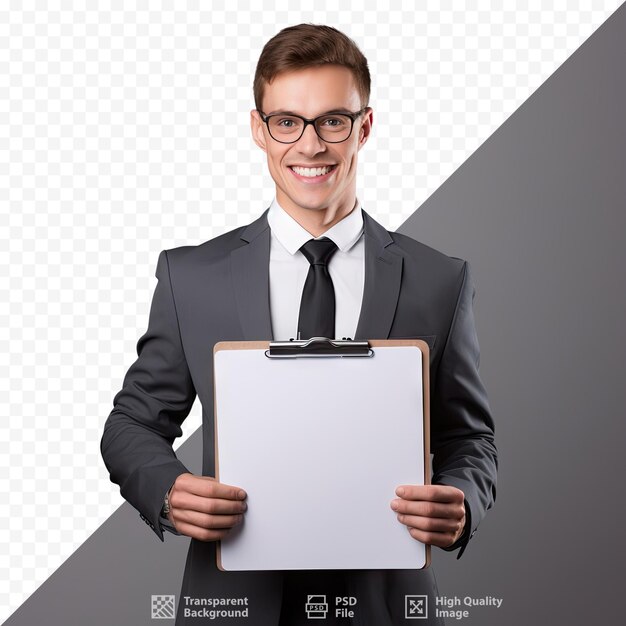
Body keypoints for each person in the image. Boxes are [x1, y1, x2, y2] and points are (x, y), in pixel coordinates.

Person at [101, 24, 497, 626]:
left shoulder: (439, 279)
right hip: (233, 604)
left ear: (364, 127)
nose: (309, 145)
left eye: (332, 121)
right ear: (259, 129)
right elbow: (131, 422)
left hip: (385, 605)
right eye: (287, 122)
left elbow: (471, 439)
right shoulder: (192, 276)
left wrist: (463, 499)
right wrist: (168, 490)